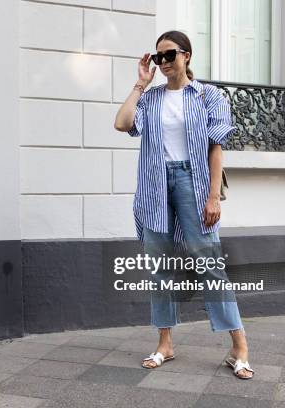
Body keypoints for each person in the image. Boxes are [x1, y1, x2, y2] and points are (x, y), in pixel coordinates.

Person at [113, 30, 254, 379]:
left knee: (209, 262)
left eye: (169, 55)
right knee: (160, 267)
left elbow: (214, 148)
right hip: (155, 186)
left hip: (194, 182)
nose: (162, 62)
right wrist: (139, 85)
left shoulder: (209, 96)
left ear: (186, 56)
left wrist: (211, 196)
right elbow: (122, 123)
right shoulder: (152, 98)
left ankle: (239, 346)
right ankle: (165, 344)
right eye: (157, 57)